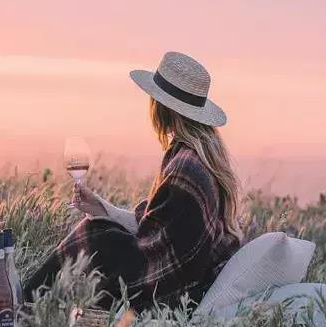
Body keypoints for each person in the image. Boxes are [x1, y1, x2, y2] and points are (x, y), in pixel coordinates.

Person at [24, 52, 242, 312]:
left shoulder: (186, 166)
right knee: (100, 229)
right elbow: (160, 226)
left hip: (176, 290)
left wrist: (104, 229)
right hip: (190, 280)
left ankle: (25, 306)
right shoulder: (198, 155)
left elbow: (157, 246)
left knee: (95, 237)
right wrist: (103, 209)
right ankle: (34, 305)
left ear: (162, 108)